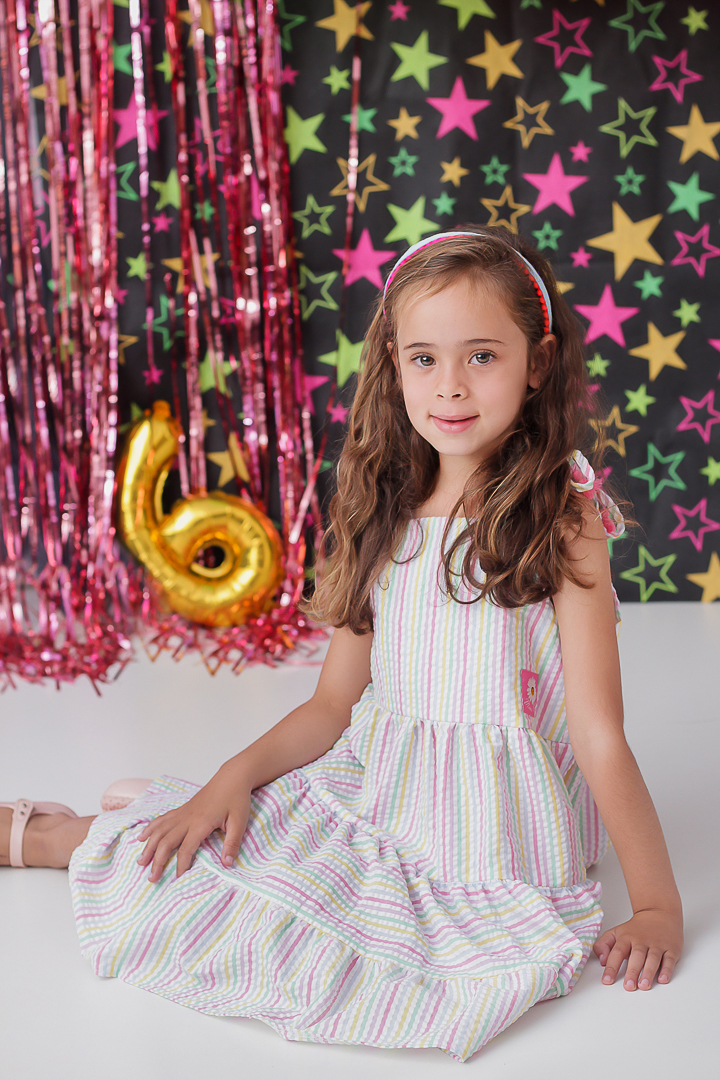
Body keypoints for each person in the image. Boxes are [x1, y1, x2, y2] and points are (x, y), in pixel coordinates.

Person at [1, 226, 683, 1063]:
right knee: (214, 845)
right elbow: (332, 705)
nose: (451, 385)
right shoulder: (386, 513)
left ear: (537, 363)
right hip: (386, 787)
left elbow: (598, 732)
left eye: (482, 356)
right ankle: (58, 836)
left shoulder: (562, 517)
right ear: (394, 364)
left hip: (495, 831)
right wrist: (229, 778)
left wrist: (657, 907)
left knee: (382, 948)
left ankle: (103, 821)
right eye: (425, 358)